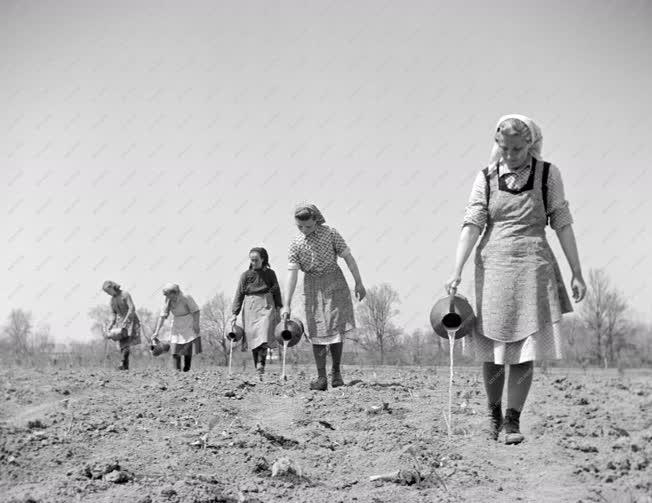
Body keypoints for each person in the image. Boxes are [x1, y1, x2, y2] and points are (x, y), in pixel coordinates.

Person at [445, 114, 586, 444]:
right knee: (493, 347)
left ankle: (512, 421)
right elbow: (472, 224)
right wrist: (457, 269)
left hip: (534, 266)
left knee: (525, 348)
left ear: (531, 145)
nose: (511, 154)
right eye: (505, 148)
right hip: (492, 265)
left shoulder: (548, 174)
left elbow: (562, 222)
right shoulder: (485, 177)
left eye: (518, 149)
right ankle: (493, 416)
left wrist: (576, 271)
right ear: (497, 144)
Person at [282, 203, 366, 391]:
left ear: (316, 220)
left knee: (336, 326)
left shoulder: (331, 234)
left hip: (334, 282)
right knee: (316, 329)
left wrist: (359, 282)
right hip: (312, 286)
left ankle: (336, 374)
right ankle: (321, 378)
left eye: (308, 226)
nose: (304, 230)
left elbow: (349, 258)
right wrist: (286, 304)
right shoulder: (296, 244)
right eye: (300, 227)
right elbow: (292, 275)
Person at [230, 247, 283, 380]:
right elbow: (239, 294)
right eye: (251, 260)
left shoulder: (270, 274)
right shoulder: (245, 275)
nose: (253, 262)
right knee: (253, 338)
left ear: (263, 259)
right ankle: (257, 368)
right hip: (251, 307)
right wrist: (234, 313)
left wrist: (279, 307)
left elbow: (276, 290)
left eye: (256, 260)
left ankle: (261, 364)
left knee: (264, 335)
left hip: (266, 305)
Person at [152, 283, 201, 372]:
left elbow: (196, 311)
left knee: (186, 347)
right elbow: (162, 316)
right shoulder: (168, 300)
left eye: (167, 294)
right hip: (176, 322)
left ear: (175, 293)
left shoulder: (186, 297)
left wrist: (196, 324)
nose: (166, 297)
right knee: (175, 347)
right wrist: (156, 331)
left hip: (188, 321)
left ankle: (186, 369)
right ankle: (177, 371)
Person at [101, 280, 141, 370]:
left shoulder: (125, 294)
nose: (108, 294)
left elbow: (132, 308)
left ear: (112, 287)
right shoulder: (112, 300)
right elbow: (113, 315)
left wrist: (126, 320)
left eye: (108, 291)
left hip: (130, 320)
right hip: (120, 323)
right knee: (122, 345)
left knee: (126, 343)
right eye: (106, 292)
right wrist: (110, 325)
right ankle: (125, 367)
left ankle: (123, 363)